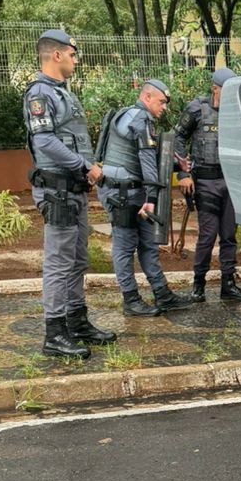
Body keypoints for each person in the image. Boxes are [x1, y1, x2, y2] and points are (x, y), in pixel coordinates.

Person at [23, 29, 117, 359]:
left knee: (77, 261)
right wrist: (85, 166)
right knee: (59, 264)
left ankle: (77, 322)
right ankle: (54, 333)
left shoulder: (63, 93)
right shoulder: (39, 94)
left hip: (73, 188)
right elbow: (44, 142)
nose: (76, 60)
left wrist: (85, 170)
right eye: (73, 55)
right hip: (57, 191)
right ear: (57, 55)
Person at [96, 79, 191, 317]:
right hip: (123, 194)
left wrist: (173, 162)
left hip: (132, 190)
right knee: (125, 245)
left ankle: (162, 294)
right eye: (161, 102)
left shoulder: (130, 116)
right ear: (147, 97)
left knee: (148, 243)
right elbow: (147, 161)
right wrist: (151, 196)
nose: (164, 107)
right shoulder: (140, 119)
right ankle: (131, 299)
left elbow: (143, 157)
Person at [174, 65, 241, 304]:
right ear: (215, 89)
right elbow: (177, 138)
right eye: (224, 92)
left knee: (229, 235)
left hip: (230, 181)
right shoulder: (197, 108)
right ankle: (198, 285)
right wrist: (182, 174)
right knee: (207, 236)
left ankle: (228, 284)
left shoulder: (237, 112)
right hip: (205, 181)